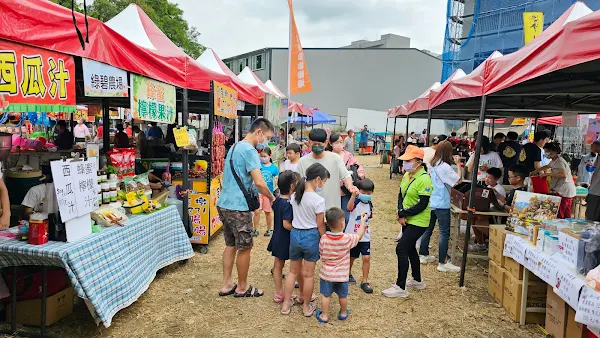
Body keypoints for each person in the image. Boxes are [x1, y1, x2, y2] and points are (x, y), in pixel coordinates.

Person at [216, 118, 275, 299]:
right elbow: (259, 182)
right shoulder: (249, 150)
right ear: (258, 132)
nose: (265, 141)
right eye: (266, 137)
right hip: (238, 207)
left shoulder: (234, 147)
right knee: (245, 247)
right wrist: (272, 198)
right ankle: (242, 287)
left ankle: (227, 284)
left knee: (230, 244)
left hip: (224, 203)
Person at [383, 145, 432, 298]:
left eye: (408, 161)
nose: (405, 164)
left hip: (419, 221)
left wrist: (403, 212)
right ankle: (417, 280)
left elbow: (422, 204)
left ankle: (400, 286)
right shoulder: (407, 175)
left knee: (401, 249)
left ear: (418, 162)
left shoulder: (424, 179)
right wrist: (400, 212)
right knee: (410, 249)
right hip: (407, 218)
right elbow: (401, 195)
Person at [281, 163, 329, 316]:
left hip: (295, 235)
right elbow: (320, 224)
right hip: (310, 236)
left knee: (292, 272)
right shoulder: (318, 200)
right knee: (308, 274)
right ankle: (307, 306)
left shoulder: (295, 195)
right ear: (317, 179)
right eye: (323, 182)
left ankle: (286, 304)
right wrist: (324, 239)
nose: (322, 185)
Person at [418, 141, 463, 273]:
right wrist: (459, 165)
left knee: (428, 229)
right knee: (444, 233)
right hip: (441, 203)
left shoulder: (431, 164)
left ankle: (423, 254)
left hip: (431, 201)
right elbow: (457, 181)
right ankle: (442, 262)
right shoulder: (445, 167)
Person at [316, 208, 366, 323]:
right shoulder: (347, 238)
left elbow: (322, 254)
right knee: (343, 296)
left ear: (327, 223)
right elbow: (359, 236)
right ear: (343, 223)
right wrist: (362, 222)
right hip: (342, 275)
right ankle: (343, 313)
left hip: (327, 275)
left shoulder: (323, 238)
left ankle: (324, 315)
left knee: (326, 295)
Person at [295, 128, 358, 210]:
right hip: (311, 210)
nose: (317, 146)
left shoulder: (335, 158)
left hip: (332, 209)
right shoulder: (302, 162)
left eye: (320, 144)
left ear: (326, 142)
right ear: (309, 142)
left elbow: (345, 176)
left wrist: (350, 186)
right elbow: (298, 182)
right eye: (314, 144)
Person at [268, 171, 300, 303]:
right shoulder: (288, 204)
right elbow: (286, 224)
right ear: (292, 186)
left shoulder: (277, 201)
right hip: (285, 239)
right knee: (291, 267)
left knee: (277, 266)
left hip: (277, 237)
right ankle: (282, 293)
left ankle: (278, 292)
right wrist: (298, 229)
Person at [531, 142, 576, 219]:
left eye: (547, 151)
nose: (546, 153)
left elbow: (563, 175)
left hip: (564, 190)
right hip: (565, 190)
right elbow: (547, 166)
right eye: (545, 151)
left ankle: (561, 228)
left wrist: (547, 174)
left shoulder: (560, 162)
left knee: (560, 213)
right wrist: (536, 171)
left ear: (554, 151)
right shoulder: (554, 160)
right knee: (566, 213)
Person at [328, 133, 365, 224]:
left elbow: (357, 166)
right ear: (331, 144)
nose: (340, 144)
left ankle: (343, 234)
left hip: (345, 190)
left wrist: (360, 174)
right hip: (332, 191)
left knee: (346, 216)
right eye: (337, 142)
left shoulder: (348, 156)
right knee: (332, 216)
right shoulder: (328, 156)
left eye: (341, 142)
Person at [346, 178, 374, 293]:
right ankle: (347, 274)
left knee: (366, 258)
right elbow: (348, 208)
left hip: (365, 236)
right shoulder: (356, 201)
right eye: (363, 193)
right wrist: (353, 196)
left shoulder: (370, 204)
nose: (366, 195)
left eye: (368, 193)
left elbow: (369, 217)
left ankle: (365, 281)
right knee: (351, 257)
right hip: (353, 234)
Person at [468, 167, 505, 252]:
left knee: (478, 222)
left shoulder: (499, 189)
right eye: (486, 177)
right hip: (485, 211)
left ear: (497, 179)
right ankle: (480, 243)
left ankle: (488, 240)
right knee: (473, 219)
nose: (487, 179)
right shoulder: (487, 187)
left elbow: (500, 203)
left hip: (493, 215)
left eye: (490, 178)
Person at [253, 147, 279, 237]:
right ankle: (255, 229)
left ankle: (269, 229)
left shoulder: (274, 168)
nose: (263, 158)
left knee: (268, 211)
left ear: (270, 156)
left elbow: (276, 179)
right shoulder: (258, 166)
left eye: (265, 156)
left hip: (268, 193)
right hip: (258, 192)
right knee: (257, 211)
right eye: (261, 156)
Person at [586, 141, 600, 221]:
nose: (591, 148)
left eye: (592, 146)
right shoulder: (597, 157)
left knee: (592, 215)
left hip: (595, 191)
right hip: (594, 190)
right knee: (592, 214)